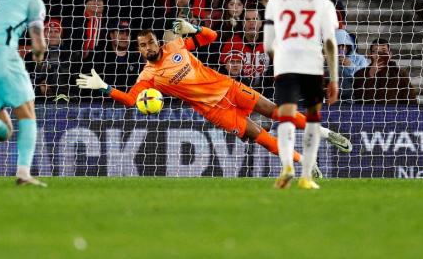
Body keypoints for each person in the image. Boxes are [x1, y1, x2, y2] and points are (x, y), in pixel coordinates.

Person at [75, 18, 352, 177]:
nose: (148, 47)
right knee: (260, 136)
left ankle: (326, 134)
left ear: (157, 40)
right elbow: (133, 100)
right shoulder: (148, 76)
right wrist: (104, 87)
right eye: (142, 45)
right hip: (213, 110)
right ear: (139, 49)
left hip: (228, 86)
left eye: (150, 41)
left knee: (276, 111)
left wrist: (192, 28)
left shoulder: (176, 44)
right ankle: (304, 164)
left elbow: (211, 36)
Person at [264, 0, 341, 190]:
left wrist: (279, 60)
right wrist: (334, 78)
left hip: (286, 63)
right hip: (311, 63)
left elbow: (268, 44)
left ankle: (287, 165)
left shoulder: (276, 1)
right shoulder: (324, 4)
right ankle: (306, 176)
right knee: (313, 120)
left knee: (286, 116)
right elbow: (330, 43)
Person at [0, 0, 48, 187]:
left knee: (4, 132)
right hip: (2, 55)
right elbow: (39, 43)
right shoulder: (32, 0)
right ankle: (23, 173)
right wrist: (39, 56)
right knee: (27, 114)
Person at [352, 39, 418, 106]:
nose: (379, 55)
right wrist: (370, 75)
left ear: (390, 54)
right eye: (375, 51)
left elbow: (411, 101)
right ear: (370, 54)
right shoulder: (360, 74)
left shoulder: (400, 74)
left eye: (383, 51)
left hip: (393, 115)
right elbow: (359, 99)